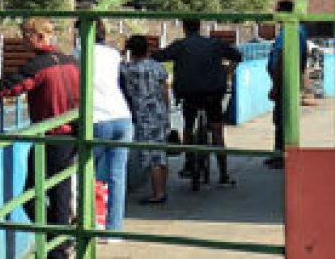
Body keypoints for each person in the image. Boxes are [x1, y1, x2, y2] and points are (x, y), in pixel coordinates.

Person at [0, 17, 81, 259]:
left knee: (31, 195)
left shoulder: (37, 67)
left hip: (50, 138)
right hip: (74, 135)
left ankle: (57, 243)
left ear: (38, 37)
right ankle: (61, 241)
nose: (23, 42)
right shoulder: (72, 62)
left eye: (26, 36)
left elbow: (8, 87)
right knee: (61, 194)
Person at [153, 19, 241, 187]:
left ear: (184, 28)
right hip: (213, 93)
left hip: (188, 93)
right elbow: (238, 56)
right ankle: (223, 174)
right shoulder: (215, 43)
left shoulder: (180, 45)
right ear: (200, 27)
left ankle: (188, 163)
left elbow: (159, 56)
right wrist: (227, 73)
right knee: (217, 131)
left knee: (188, 126)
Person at [87, 24, 133, 239]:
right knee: (117, 177)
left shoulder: (79, 54)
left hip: (97, 119)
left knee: (84, 174)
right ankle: (114, 230)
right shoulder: (113, 54)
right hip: (122, 117)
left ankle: (89, 224)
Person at [118, 34, 170, 204]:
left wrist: (123, 51)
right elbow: (164, 91)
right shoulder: (157, 67)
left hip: (142, 115)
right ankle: (162, 189)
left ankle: (158, 194)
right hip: (159, 112)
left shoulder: (126, 69)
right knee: (160, 153)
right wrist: (167, 110)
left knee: (151, 156)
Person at [264, 1, 310, 169]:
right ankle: (279, 153)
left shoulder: (290, 31)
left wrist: (276, 86)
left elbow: (282, 58)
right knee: (282, 118)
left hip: (284, 81)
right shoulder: (300, 30)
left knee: (282, 119)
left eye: (277, 12)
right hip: (289, 79)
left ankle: (282, 155)